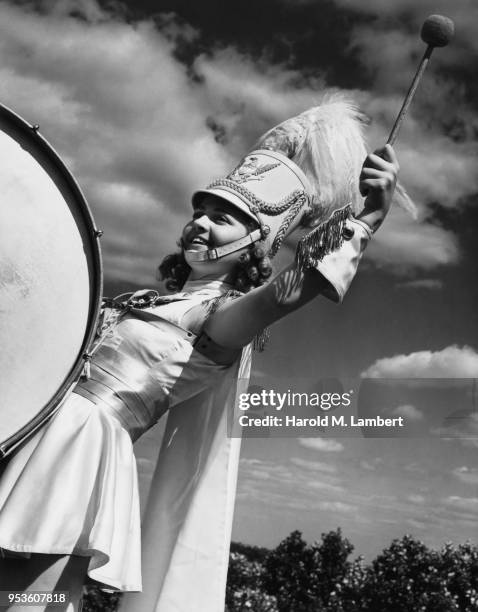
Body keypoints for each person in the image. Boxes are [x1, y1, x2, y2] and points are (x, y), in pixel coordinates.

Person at [0, 99, 400, 612]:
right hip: (32, 426)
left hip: (79, 450)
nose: (201, 223)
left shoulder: (221, 319)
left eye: (225, 219)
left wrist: (364, 223)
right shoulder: (140, 301)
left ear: (256, 243)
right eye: (200, 211)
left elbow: (287, 293)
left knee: (27, 599)